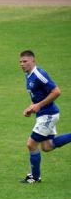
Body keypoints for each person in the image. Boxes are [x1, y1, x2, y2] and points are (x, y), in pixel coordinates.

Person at [19, 50, 71, 184]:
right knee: (47, 147)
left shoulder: (39, 75)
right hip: (44, 114)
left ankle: (35, 177)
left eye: (25, 61)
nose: (22, 64)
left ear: (33, 61)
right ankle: (35, 177)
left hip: (48, 115)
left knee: (31, 144)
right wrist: (30, 107)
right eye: (20, 62)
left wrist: (39, 106)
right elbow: (37, 97)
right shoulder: (28, 75)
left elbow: (56, 92)